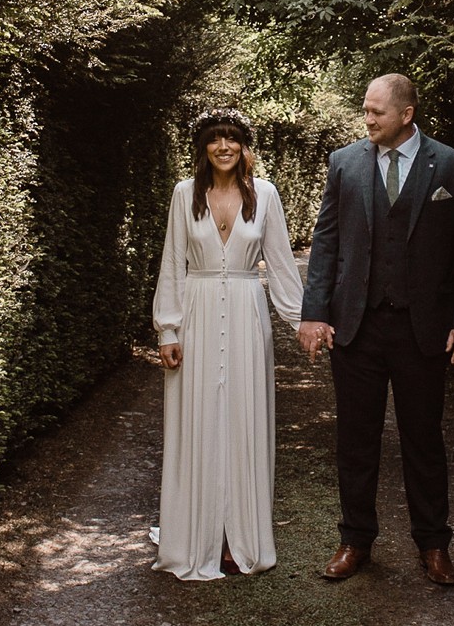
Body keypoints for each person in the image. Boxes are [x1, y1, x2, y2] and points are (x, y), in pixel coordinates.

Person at [298, 73, 454, 586]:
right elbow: (327, 243)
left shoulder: (452, 166)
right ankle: (355, 540)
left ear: (406, 114)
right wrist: (314, 312)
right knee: (356, 439)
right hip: (355, 327)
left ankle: (434, 545)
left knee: (424, 439)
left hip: (423, 330)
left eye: (377, 111)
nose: (368, 119)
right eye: (365, 109)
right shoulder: (344, 162)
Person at [151, 107, 304, 580]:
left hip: (245, 315)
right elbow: (174, 264)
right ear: (203, 147)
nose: (224, 147)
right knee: (196, 422)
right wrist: (168, 330)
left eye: (232, 139)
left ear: (244, 147)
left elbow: (280, 264)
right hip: (195, 316)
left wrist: (304, 322)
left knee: (243, 420)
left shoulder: (266, 195)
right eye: (215, 139)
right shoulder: (184, 195)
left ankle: (239, 540)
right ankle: (198, 540)